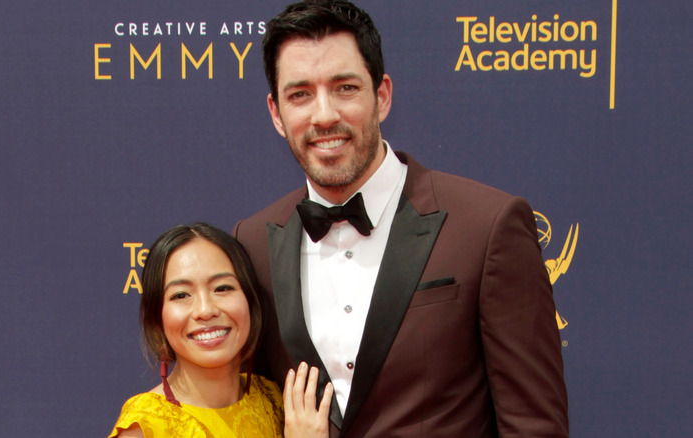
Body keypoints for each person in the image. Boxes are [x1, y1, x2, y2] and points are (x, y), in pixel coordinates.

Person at [232, 1, 569, 437]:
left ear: (383, 95)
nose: (324, 115)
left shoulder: (487, 227)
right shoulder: (253, 242)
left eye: (345, 88)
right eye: (300, 95)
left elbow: (534, 425)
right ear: (277, 114)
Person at [109, 223, 332, 438]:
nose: (205, 310)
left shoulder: (276, 400)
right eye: (181, 295)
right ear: (157, 318)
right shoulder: (145, 426)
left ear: (250, 301)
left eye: (222, 288)